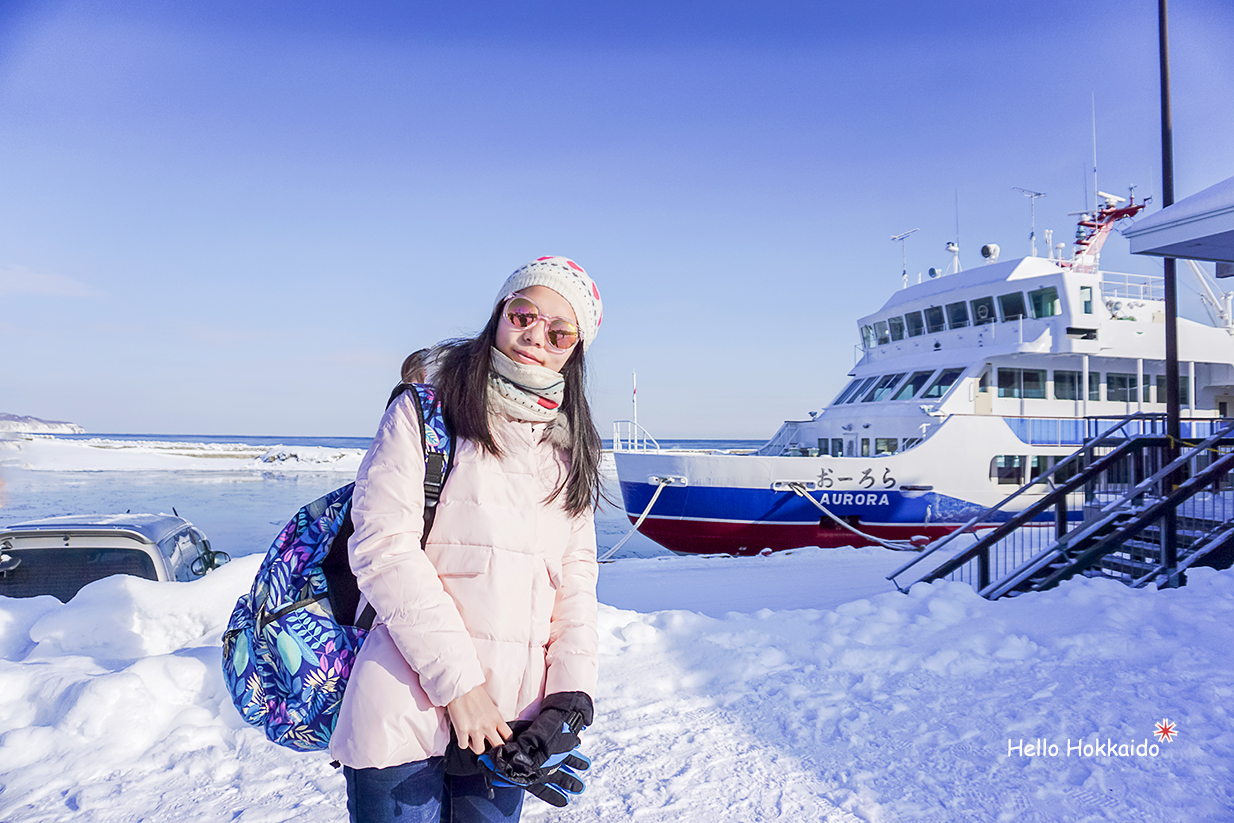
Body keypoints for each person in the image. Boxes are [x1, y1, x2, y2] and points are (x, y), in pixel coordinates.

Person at [330, 256, 605, 823]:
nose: (535, 336)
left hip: (508, 729)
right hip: (406, 705)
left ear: (574, 351)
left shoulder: (569, 452)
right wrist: (462, 690)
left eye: (559, 332)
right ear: (499, 316)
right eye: (523, 314)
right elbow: (384, 550)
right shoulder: (426, 413)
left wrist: (567, 700)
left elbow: (575, 588)